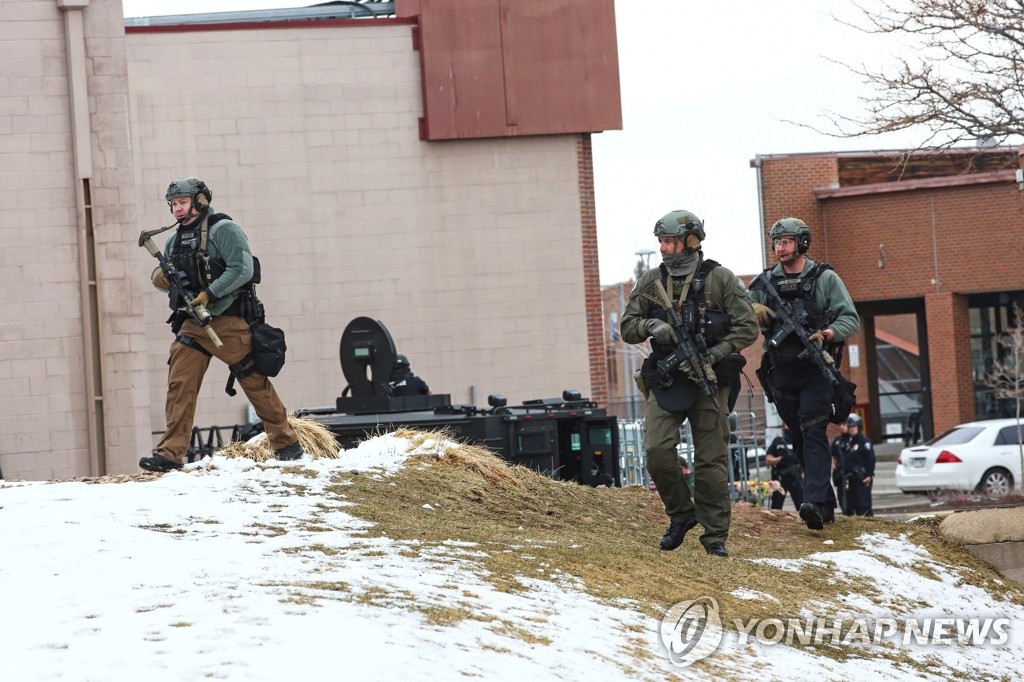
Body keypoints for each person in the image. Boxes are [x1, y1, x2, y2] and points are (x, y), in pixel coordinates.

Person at [620, 209, 758, 557]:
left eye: (669, 241)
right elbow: (627, 326)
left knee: (710, 461)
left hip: (709, 379)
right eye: (661, 242)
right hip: (667, 379)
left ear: (691, 241)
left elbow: (748, 328)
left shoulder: (721, 279)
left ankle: (715, 536)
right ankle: (681, 515)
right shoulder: (652, 282)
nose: (663, 248)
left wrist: (714, 354)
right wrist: (652, 327)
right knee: (657, 452)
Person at [140, 176, 302, 472]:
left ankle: (286, 442)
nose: (177, 209)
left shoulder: (224, 230)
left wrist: (210, 293)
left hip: (228, 320)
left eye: (183, 202)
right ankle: (171, 453)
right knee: (180, 384)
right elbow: (175, 281)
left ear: (200, 201)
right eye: (173, 204)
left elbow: (243, 269)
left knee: (253, 380)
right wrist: (163, 280)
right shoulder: (173, 240)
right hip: (192, 324)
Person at [747, 217, 860, 530]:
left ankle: (810, 502)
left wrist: (827, 334)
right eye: (777, 242)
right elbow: (739, 313)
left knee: (813, 430)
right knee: (797, 434)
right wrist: (752, 311)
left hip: (814, 369)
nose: (781, 248)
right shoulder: (764, 282)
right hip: (781, 372)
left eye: (786, 241)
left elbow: (850, 318)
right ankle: (824, 504)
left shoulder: (824, 278)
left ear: (802, 243)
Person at [832, 414, 875, 516]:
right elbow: (833, 454)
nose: (851, 429)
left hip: (860, 478)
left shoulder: (864, 441)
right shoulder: (845, 442)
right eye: (849, 426)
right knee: (847, 507)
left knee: (863, 507)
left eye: (853, 426)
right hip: (845, 479)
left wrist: (869, 474)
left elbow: (871, 459)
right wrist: (834, 467)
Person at [765, 427, 803, 511]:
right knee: (776, 507)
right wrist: (781, 459)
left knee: (802, 505)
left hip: (795, 477)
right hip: (780, 478)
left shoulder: (799, 441)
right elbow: (768, 459)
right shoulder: (778, 442)